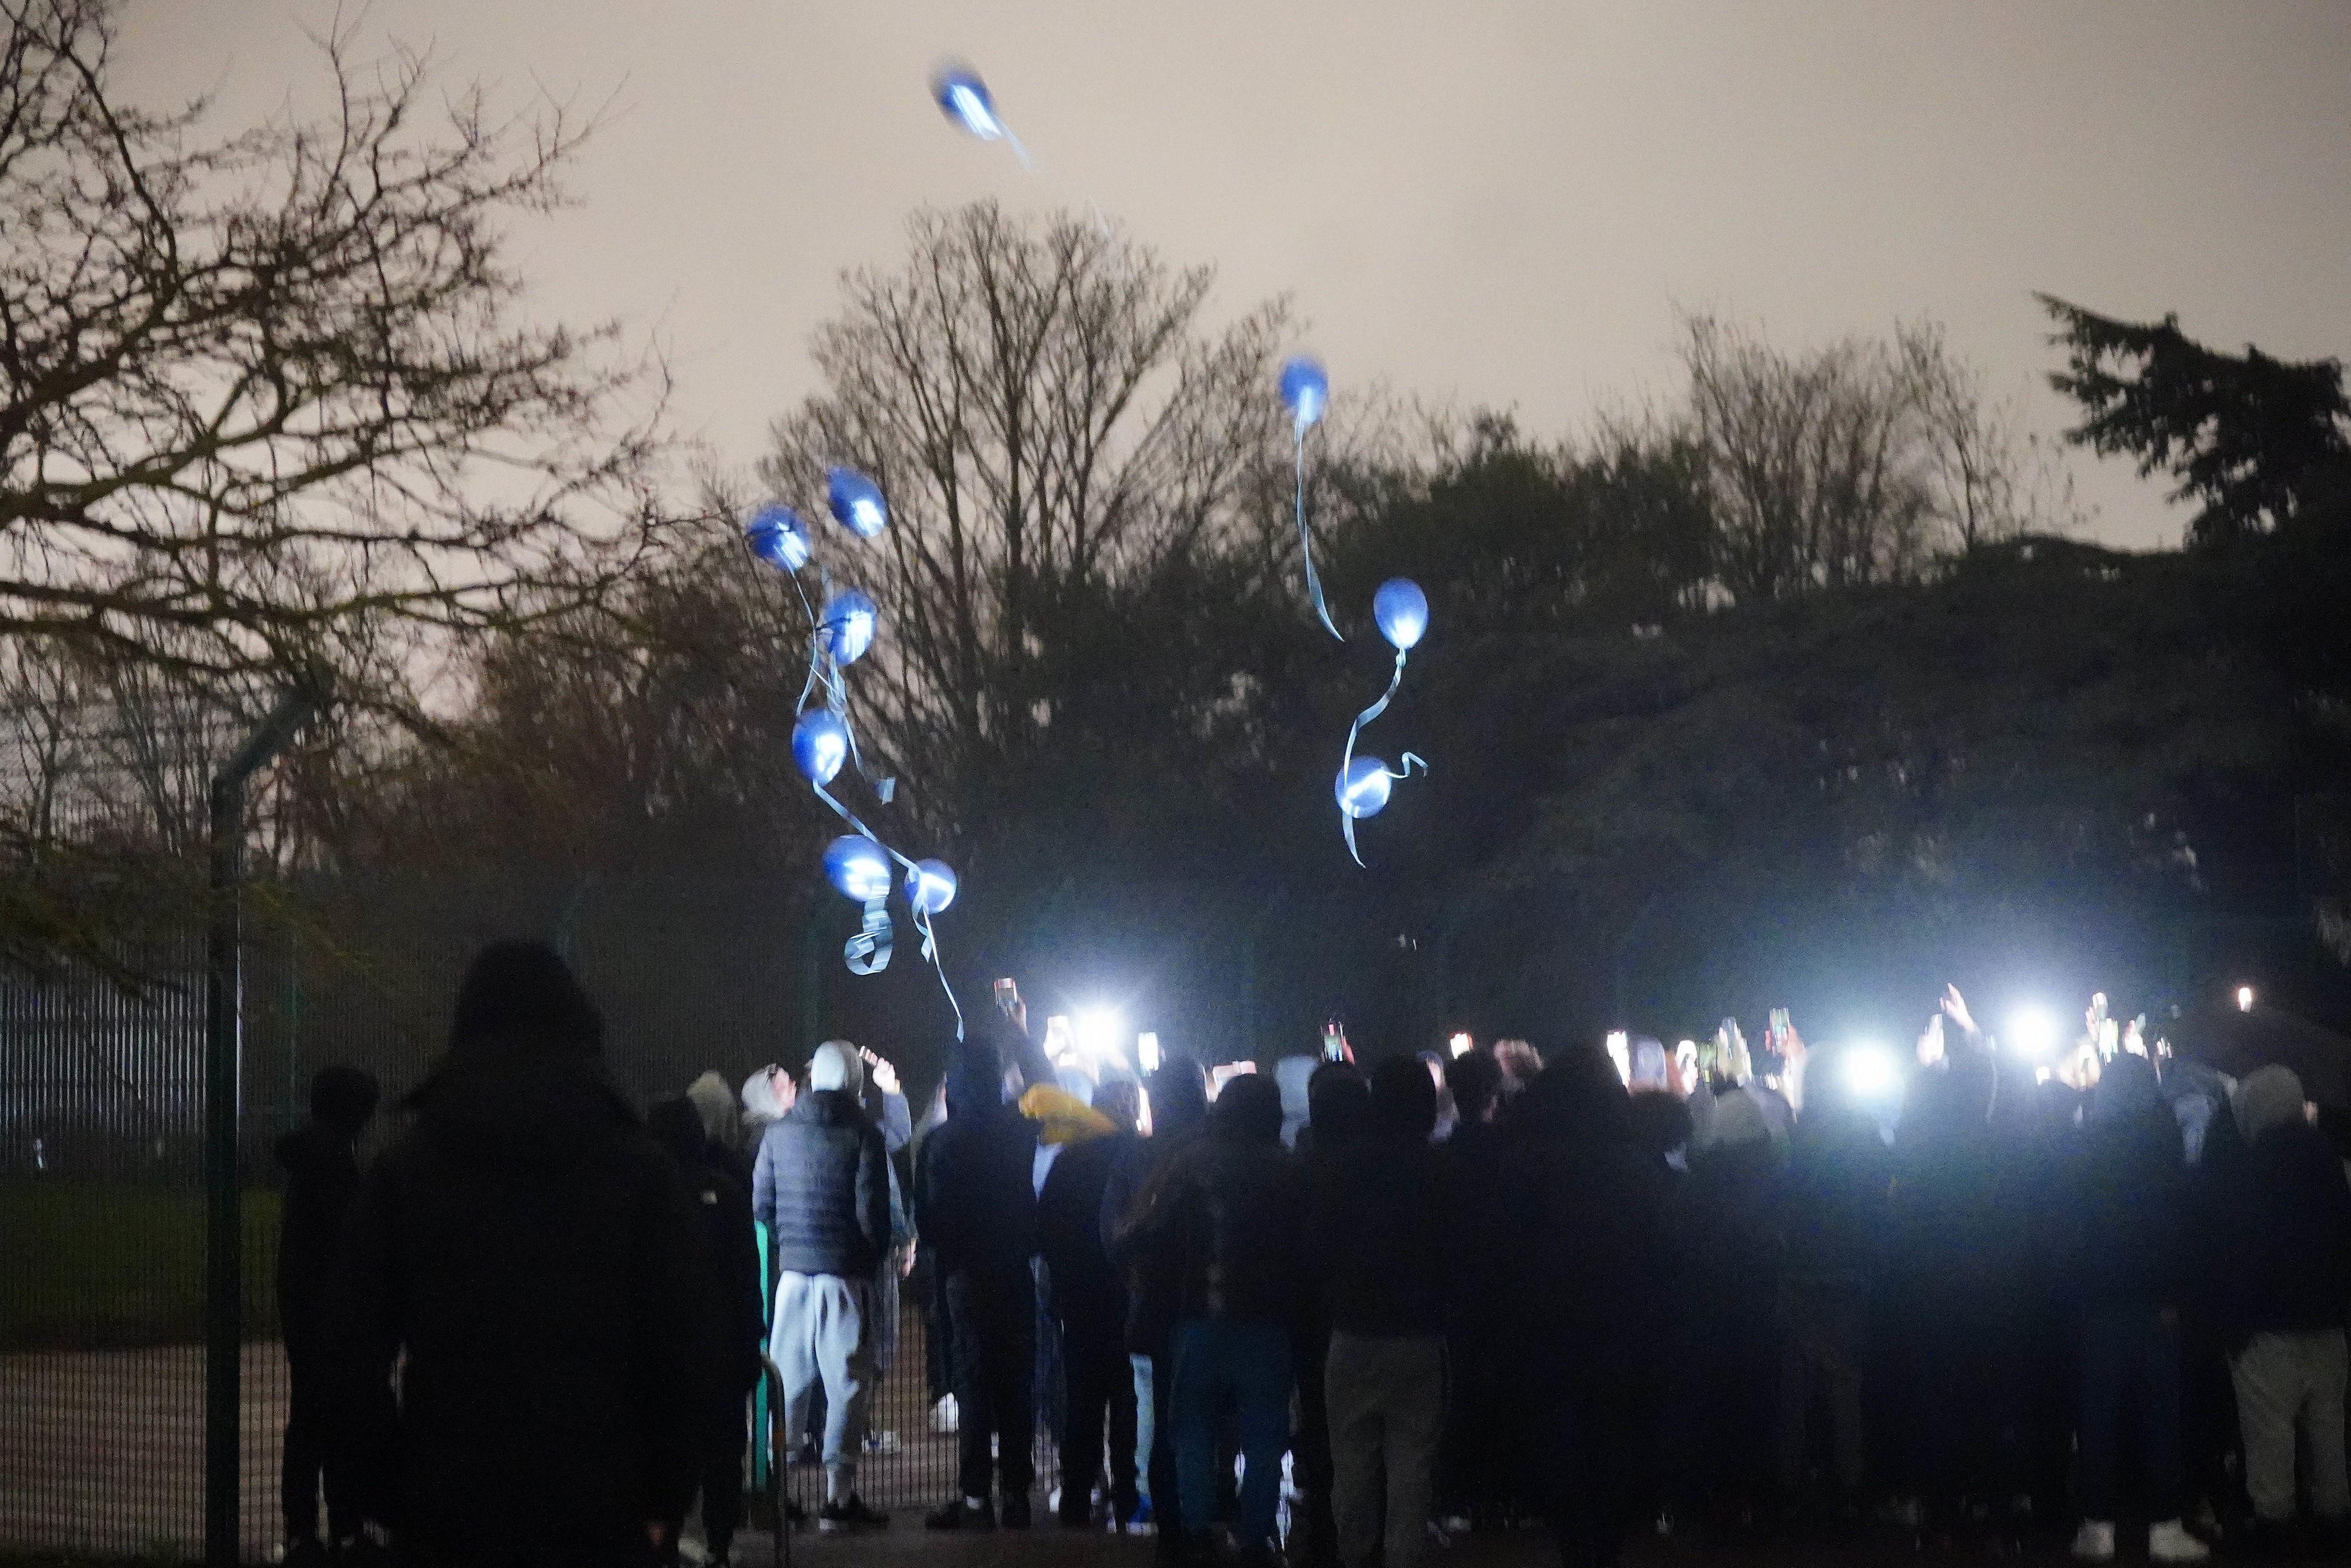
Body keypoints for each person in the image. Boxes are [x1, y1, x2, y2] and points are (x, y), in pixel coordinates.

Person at [334, 940, 707, 1567]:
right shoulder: (642, 1173)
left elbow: (346, 1355)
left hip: (451, 1504)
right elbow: (684, 1347)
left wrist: (391, 1491)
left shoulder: (406, 1172)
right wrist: (663, 1499)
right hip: (603, 1505)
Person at [1130, 1072, 1307, 1561]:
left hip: (1198, 1317)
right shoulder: (1285, 1166)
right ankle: (1256, 1535)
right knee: (1265, 1436)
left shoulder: (1190, 1161)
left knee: (1192, 1431)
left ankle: (1195, 1529)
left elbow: (1147, 1229)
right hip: (1268, 1323)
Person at [2060, 1053, 2207, 1563]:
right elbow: (2179, 1226)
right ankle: (2164, 1524)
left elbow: (2073, 1227)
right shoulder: (2163, 1138)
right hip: (2156, 1301)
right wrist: (2175, 1294)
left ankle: (2097, 1524)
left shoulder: (2087, 1141)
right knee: (2161, 1414)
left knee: (2098, 1414)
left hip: (2100, 1299)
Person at [752, 1040, 892, 1531]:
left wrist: (791, 1246)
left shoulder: (778, 1133)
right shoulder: (863, 1133)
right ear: (853, 1080)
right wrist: (869, 1258)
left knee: (788, 1383)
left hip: (791, 1276)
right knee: (847, 1386)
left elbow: (762, 1206)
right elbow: (873, 1215)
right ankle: (839, 1498)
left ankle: (777, 1493)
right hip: (844, 1278)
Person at [1317, 1059, 1450, 1568]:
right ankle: (1403, 1555)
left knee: (1351, 1458)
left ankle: (1354, 1553)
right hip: (1420, 1332)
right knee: (1412, 1460)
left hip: (1353, 1327)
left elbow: (1320, 1245)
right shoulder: (1440, 1166)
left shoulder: (1343, 1166)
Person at [2215, 1065, 2351, 1547]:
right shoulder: (2329, 1158)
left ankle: (2275, 1523)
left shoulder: (2254, 1165)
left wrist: (2236, 1323)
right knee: (2328, 1427)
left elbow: (2246, 1248)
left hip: (2270, 1325)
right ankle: (2334, 1515)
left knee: (2270, 1432)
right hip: (2328, 1322)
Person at [919, 1023, 1042, 1530]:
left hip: (966, 1276)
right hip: (1016, 1270)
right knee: (1018, 1383)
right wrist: (1022, 1036)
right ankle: (1016, 1493)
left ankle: (975, 1497)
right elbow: (1042, 1084)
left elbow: (931, 1218)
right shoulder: (1021, 1128)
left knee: (974, 1385)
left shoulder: (943, 1141)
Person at [648, 1099, 765, 1567]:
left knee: (664, 1456)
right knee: (722, 1456)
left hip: (664, 1359)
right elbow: (745, 1277)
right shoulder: (727, 1194)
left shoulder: (648, 1196)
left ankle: (666, 1542)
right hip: (719, 1353)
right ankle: (719, 1543)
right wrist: (749, 1342)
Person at [1776, 1044, 1891, 1513]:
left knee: (1795, 1385)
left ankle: (1789, 1486)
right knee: (1846, 1383)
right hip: (1851, 1268)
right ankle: (1850, 1485)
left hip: (1802, 1267)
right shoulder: (1865, 1134)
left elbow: (1781, 1196)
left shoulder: (1795, 1134)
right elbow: (1881, 1196)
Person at [275, 1066, 380, 1565]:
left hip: (303, 1310)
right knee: (339, 1422)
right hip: (332, 1312)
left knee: (309, 1422)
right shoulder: (337, 1164)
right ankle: (344, 1527)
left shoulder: (310, 1161)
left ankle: (303, 1532)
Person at [1107, 1054, 1212, 1548]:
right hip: (1211, 1305)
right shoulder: (1216, 1151)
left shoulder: (1136, 1157)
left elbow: (1110, 1233)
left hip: (1152, 1304)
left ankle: (1171, 1527)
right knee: (1204, 1422)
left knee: (1159, 1420)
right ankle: (1205, 1518)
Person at [1040, 1078, 1144, 1529]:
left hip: (1079, 1299)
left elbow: (1044, 1229)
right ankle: (1126, 1492)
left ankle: (1077, 1496)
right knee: (1129, 1400)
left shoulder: (1069, 1162)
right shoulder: (1142, 1158)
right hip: (1131, 1296)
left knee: (1081, 1402)